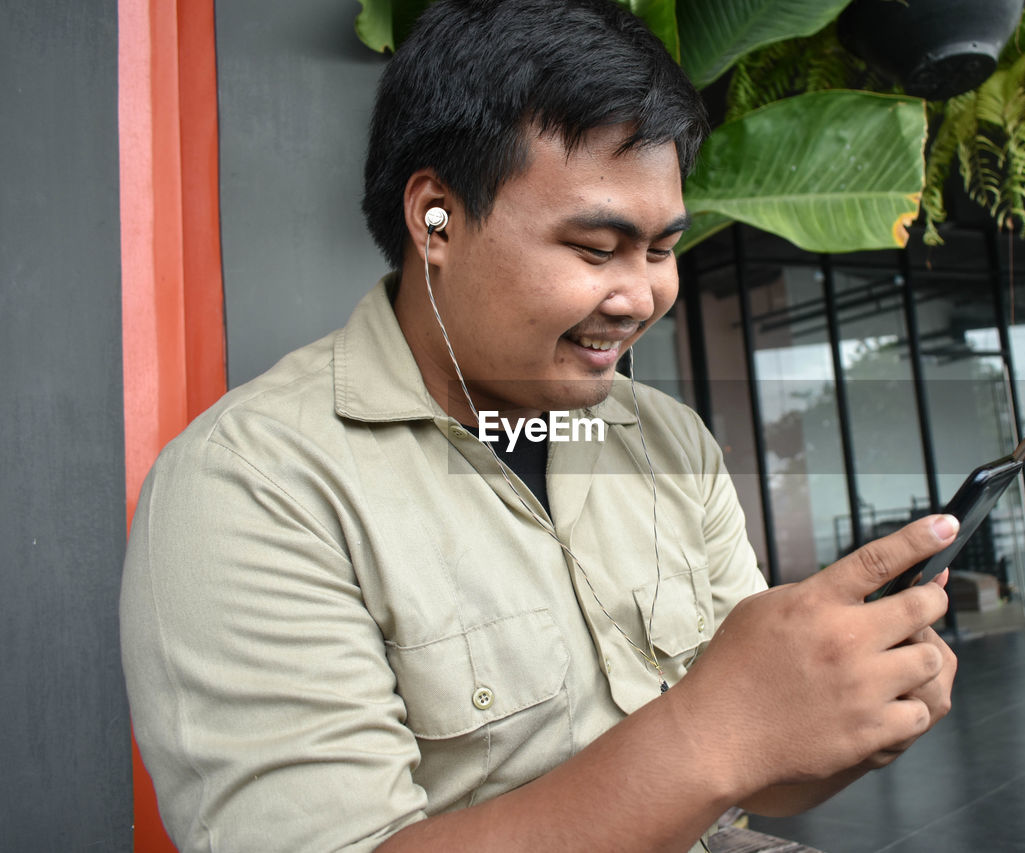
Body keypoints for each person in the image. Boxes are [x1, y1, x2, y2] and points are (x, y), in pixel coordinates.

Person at [119, 1, 958, 851]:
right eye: (597, 248)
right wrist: (714, 731)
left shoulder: (665, 442)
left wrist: (849, 709)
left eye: (662, 250)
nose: (641, 297)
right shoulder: (253, 487)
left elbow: (757, 772)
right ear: (435, 218)